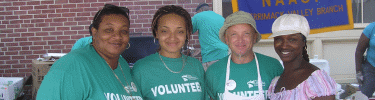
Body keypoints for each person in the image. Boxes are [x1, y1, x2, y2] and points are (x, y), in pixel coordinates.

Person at [36, 4, 143, 100]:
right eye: (109, 30)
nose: (117, 37)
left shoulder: (122, 64)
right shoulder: (70, 66)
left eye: (124, 31)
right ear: (94, 32)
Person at [132, 5, 206, 100]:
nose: (172, 37)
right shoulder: (141, 69)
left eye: (180, 31)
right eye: (165, 31)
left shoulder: (196, 66)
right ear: (156, 33)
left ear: (186, 34)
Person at [205, 11, 283, 100]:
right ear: (227, 39)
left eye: (246, 33)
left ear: (254, 37)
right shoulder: (213, 72)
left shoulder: (273, 66)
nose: (240, 40)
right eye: (234, 34)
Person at [267, 14, 336, 100]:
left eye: (292, 39)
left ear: (303, 42)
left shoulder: (316, 80)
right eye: (279, 39)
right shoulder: (276, 81)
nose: (284, 46)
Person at [192, 3, 229, 71]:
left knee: (210, 80)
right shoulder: (221, 18)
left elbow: (186, 31)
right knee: (223, 79)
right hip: (224, 55)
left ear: (200, 10)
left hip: (210, 57)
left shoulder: (198, 16)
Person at [355, 22, 375, 98]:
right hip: (371, 68)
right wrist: (358, 72)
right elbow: (359, 51)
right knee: (364, 95)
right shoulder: (371, 28)